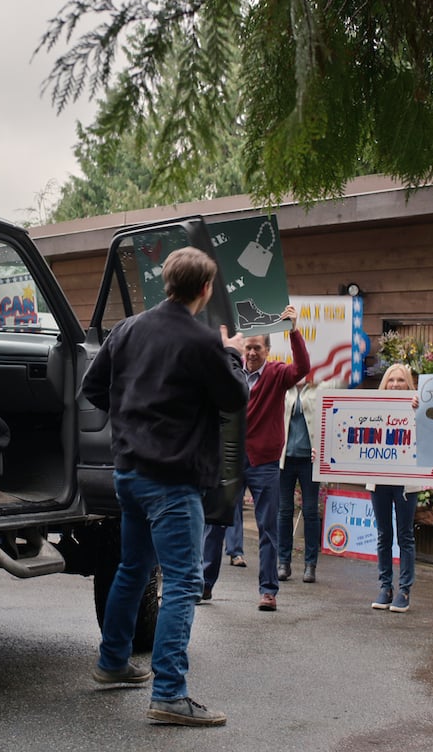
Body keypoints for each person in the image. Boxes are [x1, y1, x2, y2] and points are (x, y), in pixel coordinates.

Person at [81, 246, 247, 727]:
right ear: (206, 289)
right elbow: (235, 396)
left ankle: (112, 663)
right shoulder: (201, 343)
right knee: (183, 582)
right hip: (173, 482)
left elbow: (93, 389)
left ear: (166, 283)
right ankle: (170, 694)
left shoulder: (127, 330)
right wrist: (233, 354)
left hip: (128, 474)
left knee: (132, 568)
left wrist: (133, 419)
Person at [202, 311, 310, 611]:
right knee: (214, 523)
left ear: (267, 351)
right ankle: (205, 584)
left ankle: (268, 591)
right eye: (247, 347)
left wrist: (294, 331)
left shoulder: (276, 374)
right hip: (229, 460)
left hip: (263, 462)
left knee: (268, 527)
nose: (250, 353)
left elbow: (302, 367)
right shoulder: (230, 370)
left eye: (257, 348)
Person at [368, 363, 425, 612]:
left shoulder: (418, 406)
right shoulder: (375, 407)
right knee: (383, 535)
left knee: (405, 536)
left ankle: (404, 589)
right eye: (391, 380)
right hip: (379, 479)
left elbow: (429, 434)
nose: (395, 385)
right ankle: (385, 587)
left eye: (401, 380)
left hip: (405, 481)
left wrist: (420, 411)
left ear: (409, 383)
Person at [277, 375, 342, 584]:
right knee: (284, 510)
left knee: (311, 511)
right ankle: (283, 562)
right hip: (285, 458)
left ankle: (310, 564)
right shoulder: (284, 387)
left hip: (310, 459)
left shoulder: (320, 385)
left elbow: (345, 379)